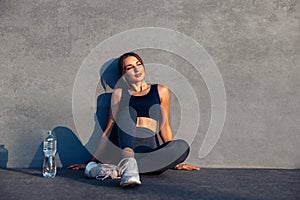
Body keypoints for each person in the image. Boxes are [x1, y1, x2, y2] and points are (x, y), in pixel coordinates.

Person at [69, 52, 199, 187]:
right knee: (128, 111)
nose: (136, 69)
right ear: (124, 75)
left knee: (182, 146)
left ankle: (116, 170)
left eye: (139, 64)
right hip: (123, 150)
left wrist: (174, 159)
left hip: (148, 155)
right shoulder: (119, 94)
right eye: (129, 67)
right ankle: (126, 163)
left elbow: (165, 127)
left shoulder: (160, 90)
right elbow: (108, 129)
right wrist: (93, 160)